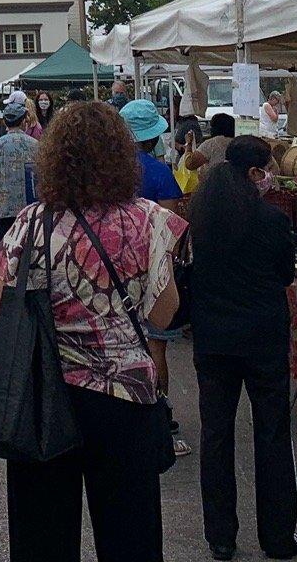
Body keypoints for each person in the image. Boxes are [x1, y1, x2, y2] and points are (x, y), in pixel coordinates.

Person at [0, 101, 185, 562]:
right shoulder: (147, 219)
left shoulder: (34, 221)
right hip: (124, 398)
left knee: (42, 538)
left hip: (45, 395)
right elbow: (165, 315)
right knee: (130, 537)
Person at [190, 135, 297, 560]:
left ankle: (220, 536)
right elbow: (285, 275)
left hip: (213, 342)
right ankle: (279, 536)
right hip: (263, 340)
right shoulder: (272, 221)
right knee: (272, 434)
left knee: (216, 436)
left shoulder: (200, 219)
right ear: (256, 173)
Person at [120, 99, 191, 458]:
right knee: (156, 345)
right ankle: (159, 415)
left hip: (115, 268)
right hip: (155, 270)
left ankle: (126, 411)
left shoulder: (111, 171)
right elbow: (172, 228)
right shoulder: (160, 173)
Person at [0, 96, 39, 243]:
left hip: (5, 209)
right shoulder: (36, 145)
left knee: (5, 252)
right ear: (24, 120)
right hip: (30, 208)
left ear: (5, 121)